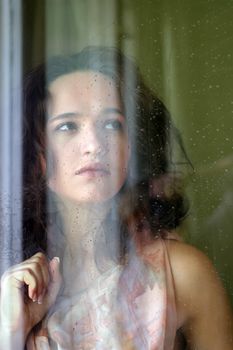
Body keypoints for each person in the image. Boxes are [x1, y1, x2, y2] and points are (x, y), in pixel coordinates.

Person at [0, 46, 232, 350]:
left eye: (111, 124)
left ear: (131, 147)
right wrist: (10, 333)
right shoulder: (11, 286)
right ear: (35, 156)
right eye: (67, 126)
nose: (94, 144)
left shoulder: (183, 274)